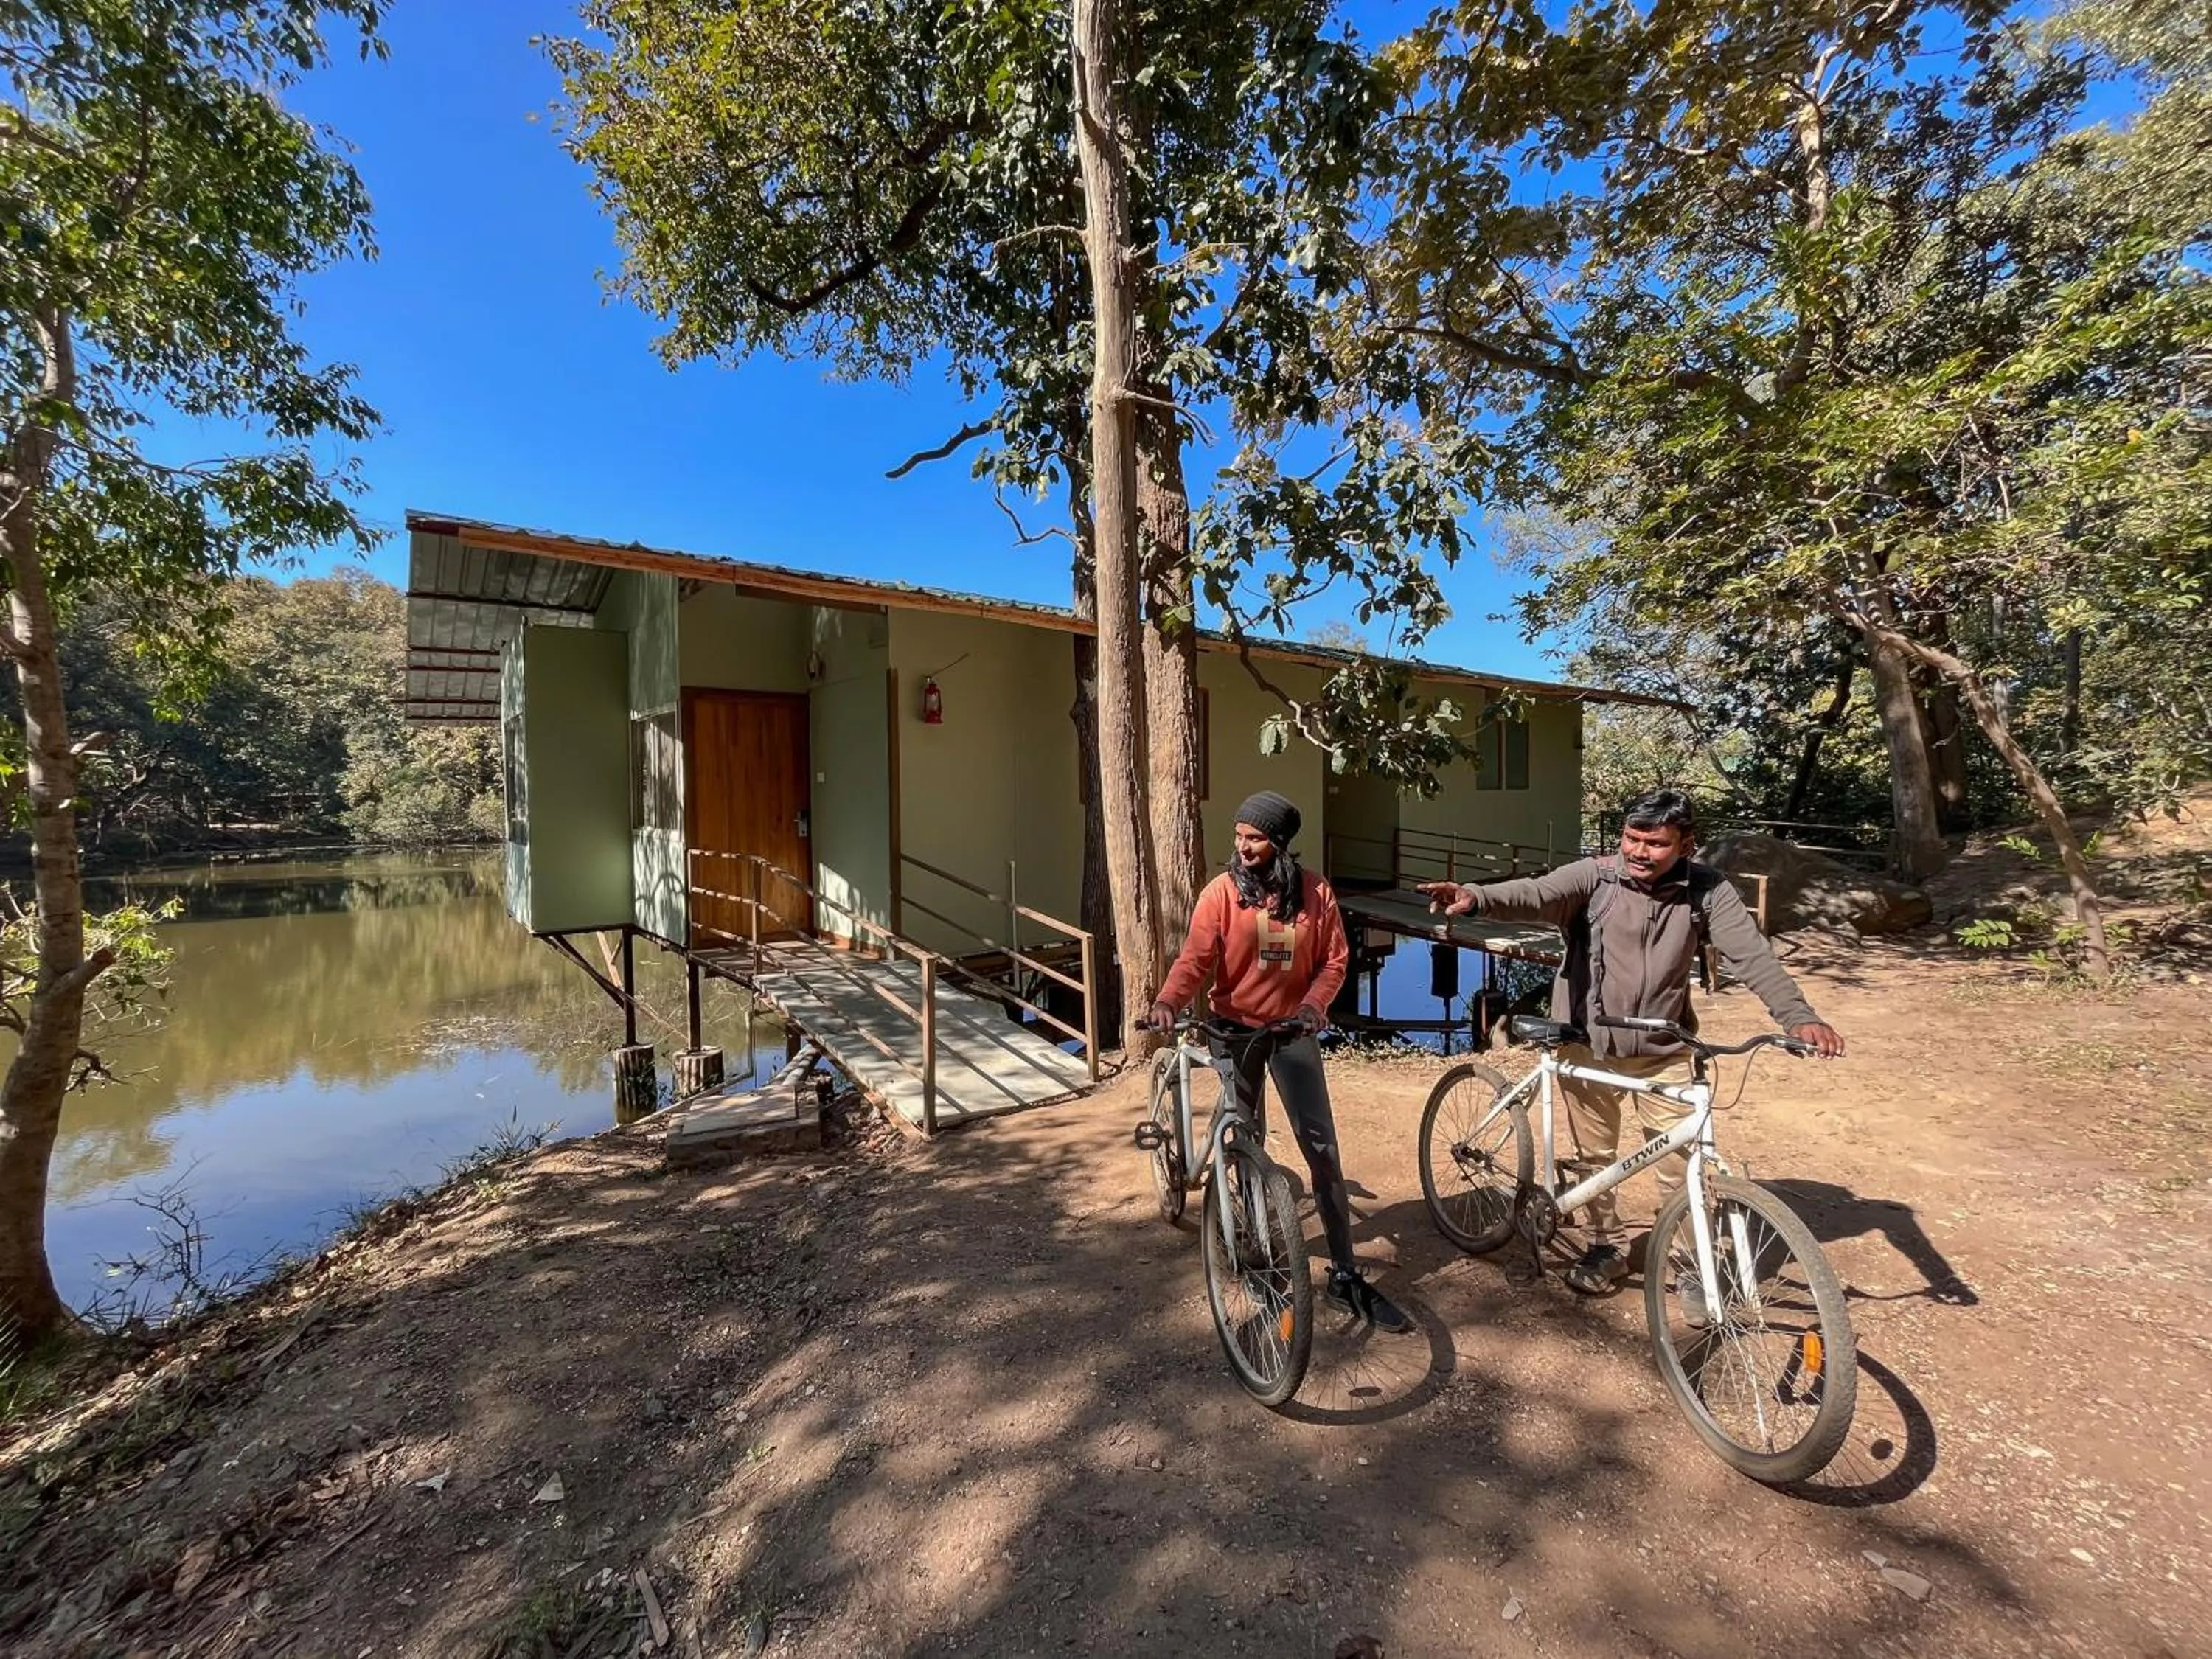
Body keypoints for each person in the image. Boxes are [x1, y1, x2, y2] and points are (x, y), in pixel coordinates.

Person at [1418, 787, 1845, 1295]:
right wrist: (1477, 897)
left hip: (1664, 1048)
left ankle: (1689, 1262)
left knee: (1681, 1164)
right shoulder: (1595, 877)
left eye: (1656, 843)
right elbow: (1536, 893)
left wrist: (1798, 1017)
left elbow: (1752, 956)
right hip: (1587, 1043)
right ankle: (1605, 1246)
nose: (1639, 852)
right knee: (1595, 1158)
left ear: (1686, 844)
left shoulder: (1707, 891)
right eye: (1631, 838)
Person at [1149, 790, 1413, 1334]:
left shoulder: (1315, 892)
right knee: (1246, 1138)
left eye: (1255, 838)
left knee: (1323, 1153)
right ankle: (1254, 1249)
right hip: (1233, 1031)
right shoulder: (1221, 894)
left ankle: (1344, 1275)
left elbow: (1335, 961)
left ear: (1280, 841)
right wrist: (1169, 1001)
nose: (1243, 846)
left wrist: (1314, 1006)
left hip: (1292, 1031)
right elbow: (1195, 959)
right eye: (1239, 836)